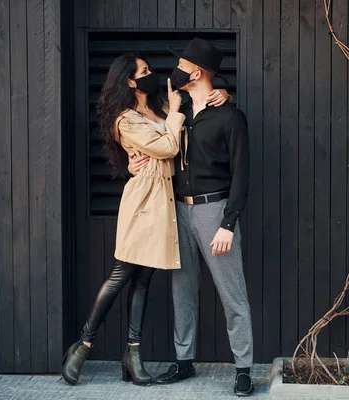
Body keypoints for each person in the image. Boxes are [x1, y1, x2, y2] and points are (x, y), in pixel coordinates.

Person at [61, 52, 229, 386]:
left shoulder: (162, 108)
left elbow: (185, 130)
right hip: (143, 205)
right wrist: (175, 115)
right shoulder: (125, 119)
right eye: (145, 71)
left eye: (150, 69)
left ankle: (132, 354)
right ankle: (83, 344)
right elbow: (168, 147)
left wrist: (224, 94)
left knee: (144, 280)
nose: (152, 74)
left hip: (165, 206)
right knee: (121, 275)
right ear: (129, 80)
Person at [129, 38, 254, 396]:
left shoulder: (230, 116)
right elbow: (140, 127)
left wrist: (228, 223)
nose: (176, 69)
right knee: (181, 288)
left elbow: (241, 176)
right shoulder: (175, 107)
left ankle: (243, 368)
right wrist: (129, 160)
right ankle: (184, 362)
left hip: (214, 211)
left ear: (196, 72)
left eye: (183, 64)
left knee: (233, 294)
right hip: (176, 210)